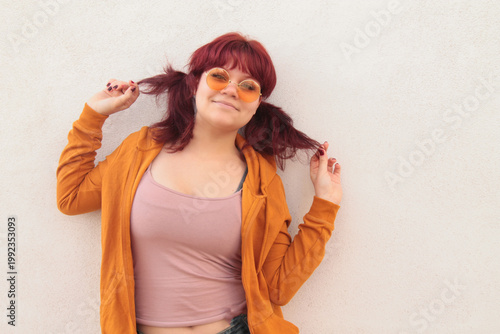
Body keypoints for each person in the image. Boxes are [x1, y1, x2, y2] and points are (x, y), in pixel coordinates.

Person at [57, 32, 342, 334]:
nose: (232, 90)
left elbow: (278, 287)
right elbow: (71, 197)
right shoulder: (139, 151)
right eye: (219, 77)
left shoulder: (263, 181)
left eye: (248, 86)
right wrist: (93, 117)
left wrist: (325, 205)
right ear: (195, 84)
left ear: (257, 104)